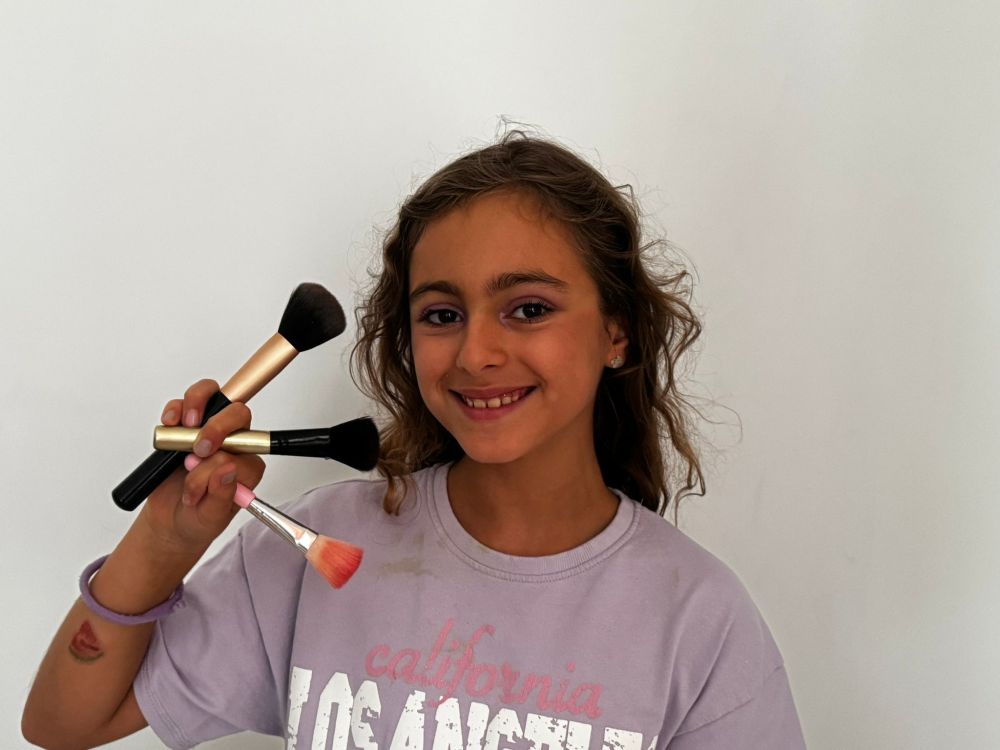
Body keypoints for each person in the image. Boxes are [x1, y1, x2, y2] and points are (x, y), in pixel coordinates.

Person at [22, 131, 806, 749]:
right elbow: (63, 723)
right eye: (441, 315)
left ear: (617, 332)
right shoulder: (317, 546)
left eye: (529, 309)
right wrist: (165, 538)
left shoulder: (698, 619)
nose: (475, 353)